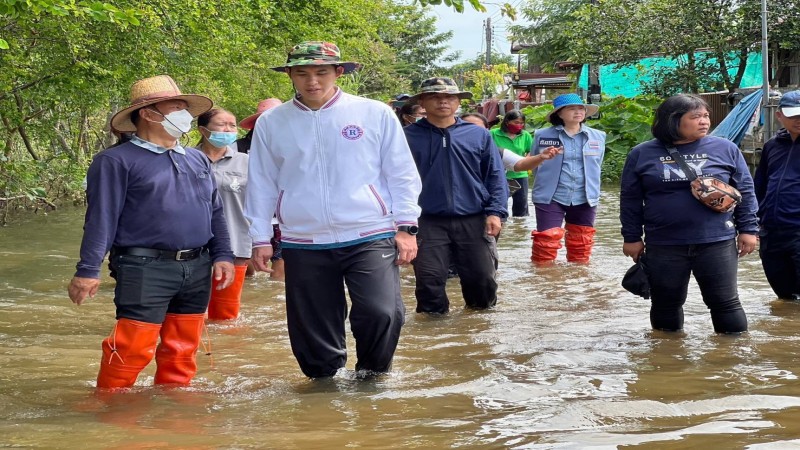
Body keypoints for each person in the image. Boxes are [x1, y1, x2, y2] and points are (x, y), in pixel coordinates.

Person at [245, 41, 422, 378]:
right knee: (312, 325)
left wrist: (406, 226)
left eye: (321, 72)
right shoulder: (272, 123)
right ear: (291, 76)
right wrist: (260, 237)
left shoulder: (374, 113)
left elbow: (400, 172)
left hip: (369, 230)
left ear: (338, 72)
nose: (313, 81)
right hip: (303, 238)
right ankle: (324, 386)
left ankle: (371, 377)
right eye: (303, 73)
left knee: (382, 312)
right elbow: (261, 183)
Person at [67, 75, 236, 389]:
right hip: (144, 267)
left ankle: (173, 413)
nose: (185, 116)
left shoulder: (197, 158)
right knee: (131, 347)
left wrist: (223, 254)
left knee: (183, 349)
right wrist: (88, 270)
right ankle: (110, 408)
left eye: (185, 109)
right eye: (176, 108)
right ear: (147, 114)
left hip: (197, 266)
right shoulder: (115, 161)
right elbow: (101, 218)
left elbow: (214, 211)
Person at [620, 93, 759, 334]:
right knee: (665, 304)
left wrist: (748, 230)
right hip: (664, 243)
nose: (704, 121)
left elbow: (745, 190)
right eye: (696, 117)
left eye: (706, 116)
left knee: (725, 302)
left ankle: (732, 361)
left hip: (716, 241)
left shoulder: (725, 148)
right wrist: (631, 237)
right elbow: (630, 199)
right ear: (673, 120)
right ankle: (669, 359)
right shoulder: (642, 154)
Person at [404, 77, 508, 314]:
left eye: (450, 97)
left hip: (473, 217)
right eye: (435, 97)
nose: (443, 102)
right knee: (429, 282)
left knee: (482, 280)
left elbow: (495, 175)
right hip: (426, 220)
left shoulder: (477, 135)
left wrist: (495, 212)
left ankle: (478, 333)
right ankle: (435, 337)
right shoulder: (407, 137)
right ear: (422, 101)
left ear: (458, 102)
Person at [530, 93, 607, 264]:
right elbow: (535, 163)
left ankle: (578, 283)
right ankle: (544, 281)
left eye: (581, 108)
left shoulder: (598, 136)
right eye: (572, 109)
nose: (578, 112)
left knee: (581, 244)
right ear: (559, 113)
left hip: (585, 196)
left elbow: (597, 164)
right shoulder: (541, 135)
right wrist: (545, 182)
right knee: (546, 243)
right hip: (551, 196)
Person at [195, 108, 252, 320]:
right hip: (193, 244)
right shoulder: (185, 159)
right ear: (203, 129)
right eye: (222, 125)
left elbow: (260, 203)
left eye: (232, 125)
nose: (228, 129)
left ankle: (226, 350)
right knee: (191, 311)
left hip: (235, 241)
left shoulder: (246, 163)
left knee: (225, 315)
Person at [754, 90, 800, 300]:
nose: (799, 120)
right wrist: (755, 223)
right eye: (793, 115)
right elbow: (759, 186)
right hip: (772, 233)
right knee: (784, 297)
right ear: (780, 115)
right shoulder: (772, 145)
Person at [235, 98, 285, 279]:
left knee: (280, 267)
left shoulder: (290, 144)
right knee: (245, 266)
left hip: (282, 215)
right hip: (246, 213)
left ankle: (274, 304)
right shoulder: (237, 147)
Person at [491, 110, 533, 217]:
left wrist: (526, 161)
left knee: (521, 208)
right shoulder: (493, 134)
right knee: (499, 204)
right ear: (507, 122)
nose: (519, 125)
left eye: (521, 123)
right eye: (516, 122)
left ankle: (520, 230)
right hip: (499, 174)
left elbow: (531, 150)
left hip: (520, 174)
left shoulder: (525, 135)